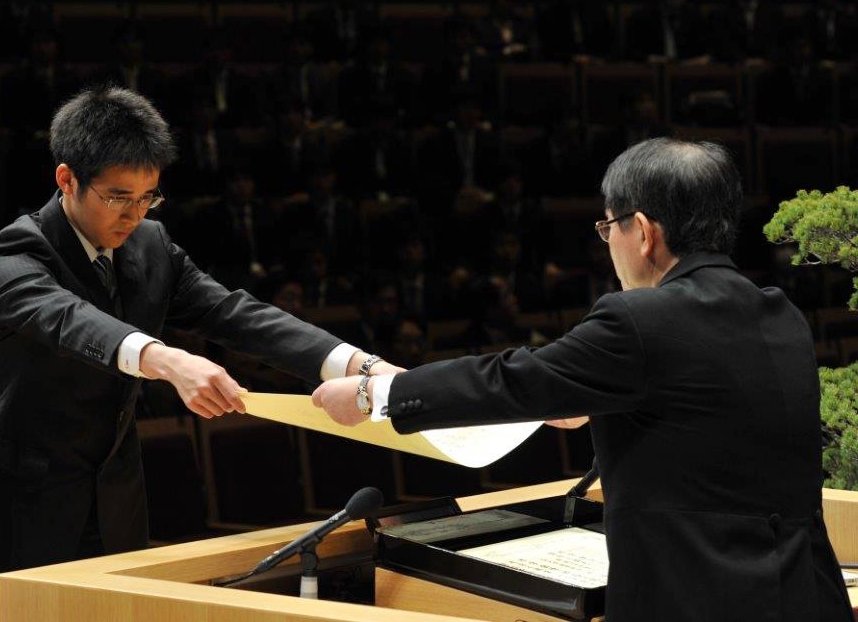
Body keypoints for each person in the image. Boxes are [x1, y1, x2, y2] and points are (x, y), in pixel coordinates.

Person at [312, 138, 854, 621]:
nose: (608, 244)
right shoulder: (779, 314)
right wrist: (596, 395)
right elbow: (706, 426)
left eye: (607, 228)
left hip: (698, 599)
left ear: (644, 232)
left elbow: (512, 379)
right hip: (804, 593)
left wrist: (374, 393)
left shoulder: (639, 320)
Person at [0, 86, 400, 622]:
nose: (133, 216)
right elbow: (68, 318)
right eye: (118, 198)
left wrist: (364, 365)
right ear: (67, 180)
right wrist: (170, 360)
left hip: (113, 516)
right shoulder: (14, 252)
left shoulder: (151, 246)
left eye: (147, 197)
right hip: (8, 522)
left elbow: (236, 313)